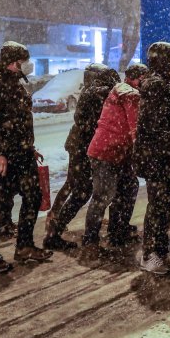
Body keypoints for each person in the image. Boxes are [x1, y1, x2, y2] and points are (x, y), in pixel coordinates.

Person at [0, 42, 52, 273]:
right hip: (2, 157)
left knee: (33, 195)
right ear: (13, 62)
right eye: (23, 60)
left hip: (22, 153)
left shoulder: (17, 85)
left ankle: (25, 246)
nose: (27, 65)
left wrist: (29, 147)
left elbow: (19, 123)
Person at [43, 63, 119, 251]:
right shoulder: (95, 93)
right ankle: (54, 229)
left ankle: (55, 224)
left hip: (81, 146)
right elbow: (92, 122)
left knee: (77, 187)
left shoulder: (89, 92)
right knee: (81, 190)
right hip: (84, 148)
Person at [135, 43, 170, 276]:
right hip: (157, 158)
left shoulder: (165, 84)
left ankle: (161, 249)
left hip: (163, 158)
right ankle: (150, 255)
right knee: (158, 206)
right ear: (165, 62)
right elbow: (160, 127)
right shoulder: (158, 87)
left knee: (166, 204)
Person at [83, 64, 148, 252]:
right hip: (106, 152)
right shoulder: (129, 94)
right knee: (103, 195)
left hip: (118, 152)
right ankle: (90, 240)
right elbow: (134, 126)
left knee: (128, 187)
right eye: (143, 78)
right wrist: (140, 145)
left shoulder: (123, 90)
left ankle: (118, 230)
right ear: (136, 78)